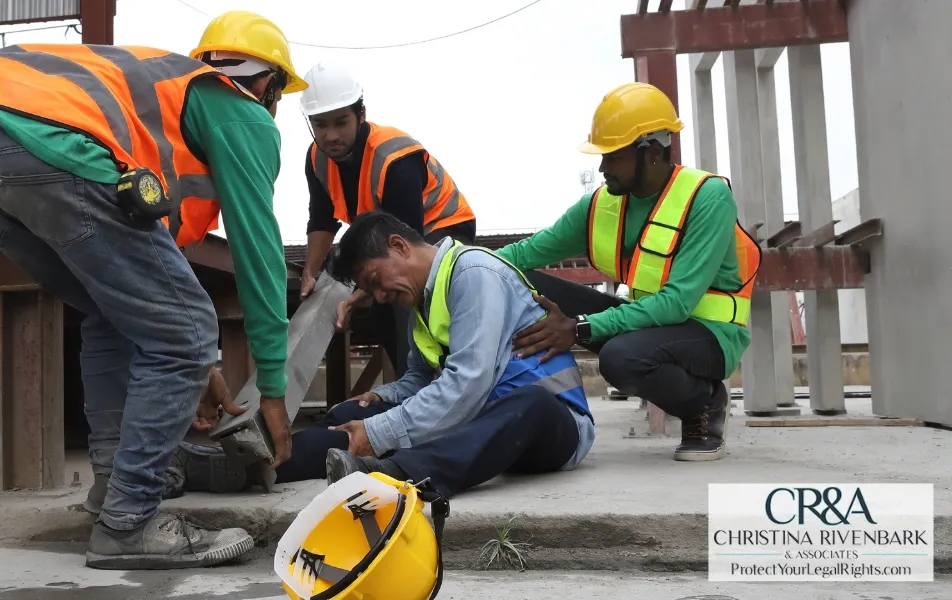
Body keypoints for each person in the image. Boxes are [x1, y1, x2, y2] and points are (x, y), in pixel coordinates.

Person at [0, 10, 307, 569]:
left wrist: (198, 367)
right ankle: (130, 523)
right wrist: (272, 390)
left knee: (111, 316)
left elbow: (145, 296)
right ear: (268, 84)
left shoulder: (162, 105)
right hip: (51, 152)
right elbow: (259, 251)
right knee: (188, 330)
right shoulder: (240, 112)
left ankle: (112, 497)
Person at [498, 82, 761, 462]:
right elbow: (524, 253)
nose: (602, 167)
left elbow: (677, 304)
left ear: (652, 152)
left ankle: (704, 403)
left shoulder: (707, 198)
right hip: (651, 325)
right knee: (523, 281)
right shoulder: (602, 205)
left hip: (709, 334)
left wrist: (579, 328)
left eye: (613, 156)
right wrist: (453, 265)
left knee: (620, 359)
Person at [273, 211, 595, 500]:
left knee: (531, 404)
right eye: (371, 292)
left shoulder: (474, 273)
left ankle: (394, 474)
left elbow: (468, 384)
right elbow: (421, 379)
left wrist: (380, 431)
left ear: (399, 246)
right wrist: (383, 397)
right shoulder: (421, 301)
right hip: (477, 417)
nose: (381, 297)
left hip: (552, 424)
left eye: (375, 281)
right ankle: (264, 463)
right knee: (354, 415)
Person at [295, 61, 477, 378]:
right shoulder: (316, 159)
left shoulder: (395, 157)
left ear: (360, 115)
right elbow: (322, 219)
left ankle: (442, 385)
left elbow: (404, 247)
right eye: (321, 125)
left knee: (404, 297)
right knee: (383, 309)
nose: (331, 135)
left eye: (341, 122)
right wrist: (310, 272)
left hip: (441, 230)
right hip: (388, 238)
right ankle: (412, 386)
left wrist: (353, 298)